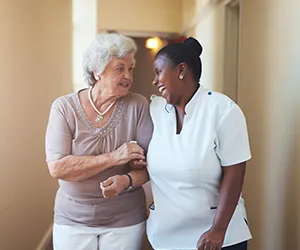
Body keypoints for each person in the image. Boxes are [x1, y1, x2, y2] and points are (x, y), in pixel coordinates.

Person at [45, 33, 153, 250]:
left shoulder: (138, 106)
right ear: (97, 72)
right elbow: (57, 168)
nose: (128, 76)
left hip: (125, 219)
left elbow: (149, 167)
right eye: (119, 68)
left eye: (130, 68)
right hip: (72, 219)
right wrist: (115, 158)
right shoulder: (64, 108)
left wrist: (126, 180)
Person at [146, 37, 252, 250]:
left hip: (216, 238)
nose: (155, 80)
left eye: (159, 72)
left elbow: (234, 174)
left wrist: (218, 230)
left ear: (181, 70)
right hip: (166, 238)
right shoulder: (155, 110)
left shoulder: (222, 110)